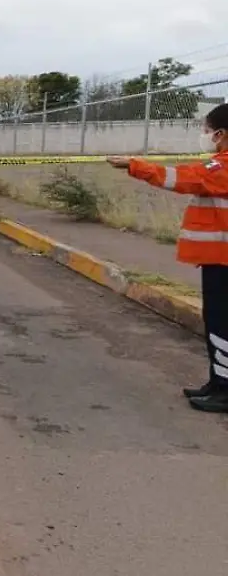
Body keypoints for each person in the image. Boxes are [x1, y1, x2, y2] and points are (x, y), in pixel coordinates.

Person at [108, 103, 228, 412]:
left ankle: (224, 390)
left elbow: (183, 177)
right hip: (218, 259)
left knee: (221, 324)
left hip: (224, 262)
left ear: (221, 134)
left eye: (206, 130)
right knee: (216, 321)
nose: (204, 136)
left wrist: (135, 165)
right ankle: (217, 382)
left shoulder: (223, 167)